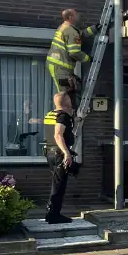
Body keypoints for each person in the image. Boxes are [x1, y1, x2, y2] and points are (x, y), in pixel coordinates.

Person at [43, 92, 76, 224]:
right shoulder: (63, 116)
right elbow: (58, 135)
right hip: (58, 154)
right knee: (58, 185)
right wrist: (66, 153)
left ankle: (52, 213)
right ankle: (53, 215)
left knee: (56, 183)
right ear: (67, 101)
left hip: (49, 153)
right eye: (69, 98)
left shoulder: (50, 114)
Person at [48, 9, 94, 104]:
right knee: (66, 98)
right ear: (70, 17)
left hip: (57, 65)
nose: (78, 16)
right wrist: (89, 59)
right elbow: (74, 52)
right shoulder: (71, 31)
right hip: (61, 67)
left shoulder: (64, 27)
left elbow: (80, 34)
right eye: (76, 15)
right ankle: (64, 116)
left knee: (70, 89)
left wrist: (94, 28)